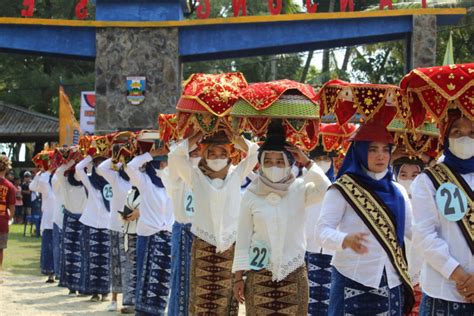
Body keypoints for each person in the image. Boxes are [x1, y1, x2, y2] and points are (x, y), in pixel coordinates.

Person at [317, 120, 414, 315]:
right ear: (360, 151)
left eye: (385, 149)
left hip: (391, 283)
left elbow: (414, 232)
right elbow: (321, 232)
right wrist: (344, 239)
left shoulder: (399, 191)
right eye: (372, 149)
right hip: (351, 278)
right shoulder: (342, 189)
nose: (381, 155)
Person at [232, 126, 331, 315]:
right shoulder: (252, 193)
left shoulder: (300, 189)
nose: (274, 166)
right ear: (260, 163)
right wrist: (238, 278)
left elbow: (327, 190)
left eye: (280, 161)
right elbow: (243, 237)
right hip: (259, 273)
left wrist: (308, 162)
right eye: (268, 161)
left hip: (293, 272)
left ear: (289, 163)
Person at [168, 129, 259, 315]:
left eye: (223, 153)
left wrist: (237, 139)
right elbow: (175, 156)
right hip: (203, 245)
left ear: (229, 154)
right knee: (202, 300)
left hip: (231, 247)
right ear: (204, 153)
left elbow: (257, 153)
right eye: (212, 153)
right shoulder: (195, 175)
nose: (217, 157)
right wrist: (195, 137)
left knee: (228, 300)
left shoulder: (236, 174)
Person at [411, 109, 474, 314]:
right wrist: (461, 277)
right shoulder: (428, 180)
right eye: (457, 132)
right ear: (445, 136)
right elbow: (425, 235)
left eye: (472, 133)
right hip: (444, 292)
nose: (465, 138)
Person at [125, 147, 174, 315]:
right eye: (161, 162)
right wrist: (150, 154)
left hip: (167, 237)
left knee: (163, 281)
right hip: (148, 236)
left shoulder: (174, 182)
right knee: (145, 278)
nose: (164, 165)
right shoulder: (145, 181)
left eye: (167, 162)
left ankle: (158, 312)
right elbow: (130, 167)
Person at [160, 144, 201, 316]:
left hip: (205, 233)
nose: (196, 149)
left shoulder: (210, 167)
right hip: (184, 230)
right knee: (180, 280)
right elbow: (174, 154)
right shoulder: (176, 168)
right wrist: (194, 138)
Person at [304, 145, 337, 315]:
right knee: (308, 294)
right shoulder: (304, 182)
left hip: (331, 248)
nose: (322, 162)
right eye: (318, 159)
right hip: (308, 245)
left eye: (326, 158)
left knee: (327, 297)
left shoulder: (339, 184)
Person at [392, 156, 425, 316]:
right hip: (395, 270)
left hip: (422, 270)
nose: (409, 180)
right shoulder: (388, 201)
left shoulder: (430, 202)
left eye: (415, 175)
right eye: (403, 175)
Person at [97, 157, 131, 312]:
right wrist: (117, 156)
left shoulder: (140, 177)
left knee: (131, 265)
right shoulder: (116, 177)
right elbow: (101, 168)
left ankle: (131, 300)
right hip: (117, 226)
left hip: (136, 228)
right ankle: (114, 299)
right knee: (116, 264)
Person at [75, 155, 111, 302]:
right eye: (97, 164)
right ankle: (94, 292)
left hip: (108, 225)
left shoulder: (113, 182)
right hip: (91, 224)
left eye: (102, 163)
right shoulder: (90, 182)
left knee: (106, 261)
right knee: (93, 260)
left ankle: (105, 292)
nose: (99, 167)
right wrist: (90, 155)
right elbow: (78, 168)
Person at [53, 159, 87, 294]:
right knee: (69, 254)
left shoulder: (87, 183)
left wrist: (80, 161)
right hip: (70, 219)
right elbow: (59, 171)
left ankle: (82, 285)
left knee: (83, 254)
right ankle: (72, 286)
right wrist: (72, 159)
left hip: (84, 220)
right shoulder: (66, 183)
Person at [29, 169, 57, 283]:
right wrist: (39, 174)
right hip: (47, 221)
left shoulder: (61, 179)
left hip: (59, 220)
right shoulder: (45, 181)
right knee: (48, 248)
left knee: (58, 248)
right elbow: (32, 186)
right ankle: (50, 273)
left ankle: (58, 272)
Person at [0, 155, 16, 270]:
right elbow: (12, 207)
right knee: (0, 249)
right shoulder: (10, 186)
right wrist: (10, 218)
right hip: (2, 220)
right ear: (6, 168)